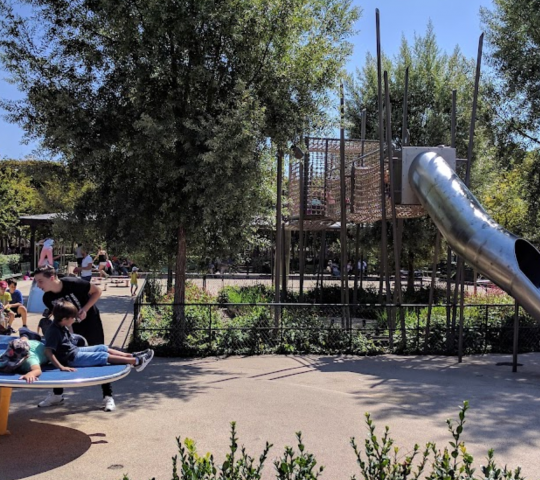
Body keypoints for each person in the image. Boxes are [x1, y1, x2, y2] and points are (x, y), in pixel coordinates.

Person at [33, 265, 117, 411]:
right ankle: (57, 394)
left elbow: (97, 291)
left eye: (40, 281)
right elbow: (60, 319)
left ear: (51, 278)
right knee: (60, 355)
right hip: (70, 328)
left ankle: (108, 396)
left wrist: (84, 309)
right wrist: (69, 334)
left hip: (91, 322)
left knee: (101, 355)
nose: (38, 285)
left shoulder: (73, 283)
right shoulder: (47, 298)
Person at [45, 301, 153, 372]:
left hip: (75, 351)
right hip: (71, 359)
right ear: (64, 319)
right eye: (72, 318)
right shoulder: (53, 331)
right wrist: (61, 367)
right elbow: (48, 351)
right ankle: (137, 361)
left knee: (102, 347)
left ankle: (129, 356)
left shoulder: (61, 325)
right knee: (102, 355)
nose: (74, 320)